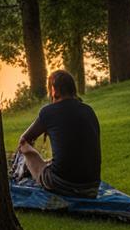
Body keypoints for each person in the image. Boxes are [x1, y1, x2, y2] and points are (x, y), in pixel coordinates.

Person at [17, 70, 101, 198]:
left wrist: (31, 151)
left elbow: (24, 140)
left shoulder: (48, 112)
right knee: (52, 162)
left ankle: (21, 170)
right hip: (91, 187)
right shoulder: (88, 110)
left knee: (24, 145)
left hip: (63, 185)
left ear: (54, 90)